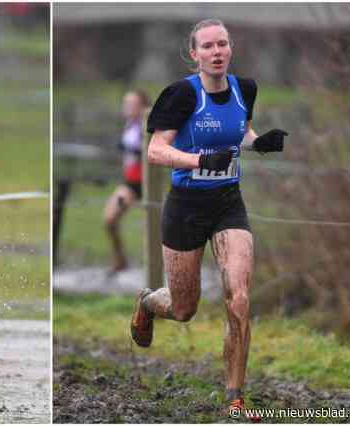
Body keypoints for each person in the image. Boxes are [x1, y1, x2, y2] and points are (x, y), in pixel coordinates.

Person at [129, 19, 287, 416]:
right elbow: (155, 151)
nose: (216, 52)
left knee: (239, 299)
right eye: (208, 46)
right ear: (194, 54)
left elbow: (242, 132)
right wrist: (199, 159)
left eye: (222, 44)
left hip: (228, 204)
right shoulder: (181, 95)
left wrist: (259, 143)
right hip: (185, 207)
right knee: (184, 310)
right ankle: (148, 303)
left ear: (230, 49)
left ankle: (235, 399)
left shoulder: (244, 88)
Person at [103, 90, 151, 273]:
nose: (127, 108)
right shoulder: (130, 125)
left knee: (154, 230)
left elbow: (149, 153)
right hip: (130, 183)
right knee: (109, 218)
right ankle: (120, 259)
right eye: (126, 104)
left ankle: (154, 267)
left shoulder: (147, 127)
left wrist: (131, 150)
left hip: (146, 184)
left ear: (143, 107)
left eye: (132, 104)